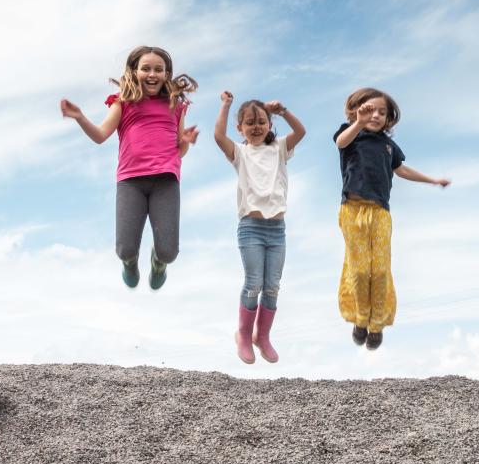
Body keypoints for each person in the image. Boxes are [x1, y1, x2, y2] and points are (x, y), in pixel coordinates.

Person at [61, 45, 198, 290]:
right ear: (134, 72)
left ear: (167, 74)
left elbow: (180, 151)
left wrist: (185, 142)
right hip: (131, 181)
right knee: (125, 249)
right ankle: (130, 264)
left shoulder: (174, 105)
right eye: (146, 69)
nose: (153, 74)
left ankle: (158, 263)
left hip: (165, 181)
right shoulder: (122, 103)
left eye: (159, 69)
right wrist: (80, 117)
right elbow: (101, 135)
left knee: (169, 252)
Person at [333, 87, 451, 350]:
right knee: (360, 270)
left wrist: (432, 180)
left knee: (381, 270)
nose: (375, 115)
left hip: (380, 213)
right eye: (369, 110)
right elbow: (340, 142)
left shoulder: (388, 146)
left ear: (389, 118)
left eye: (382, 112)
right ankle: (360, 319)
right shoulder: (352, 135)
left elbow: (402, 170)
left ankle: (377, 325)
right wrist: (358, 123)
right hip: (352, 212)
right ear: (355, 111)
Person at [215, 91, 306, 364]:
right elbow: (219, 137)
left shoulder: (279, 148)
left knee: (273, 286)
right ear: (240, 128)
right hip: (251, 227)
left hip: (277, 230)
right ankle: (243, 335)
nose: (256, 127)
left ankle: (262, 336)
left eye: (261, 121)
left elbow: (301, 131)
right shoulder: (240, 153)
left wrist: (284, 111)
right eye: (249, 122)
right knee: (253, 283)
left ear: (269, 124)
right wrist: (225, 105)